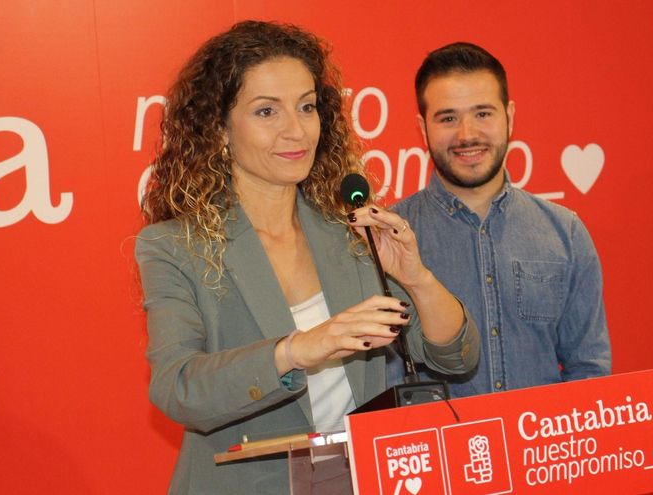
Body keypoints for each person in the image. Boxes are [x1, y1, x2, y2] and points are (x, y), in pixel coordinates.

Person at [135, 21, 479, 494]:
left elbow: (456, 357)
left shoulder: (349, 227)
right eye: (266, 112)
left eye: (306, 107)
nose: (295, 130)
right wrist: (297, 349)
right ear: (219, 128)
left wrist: (416, 278)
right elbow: (179, 390)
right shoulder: (175, 246)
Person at [392, 42, 610, 398]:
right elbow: (382, 382)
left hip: (544, 449)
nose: (467, 134)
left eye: (483, 113)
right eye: (448, 118)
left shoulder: (565, 233)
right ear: (422, 127)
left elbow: (589, 370)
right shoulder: (390, 240)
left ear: (509, 116)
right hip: (441, 452)